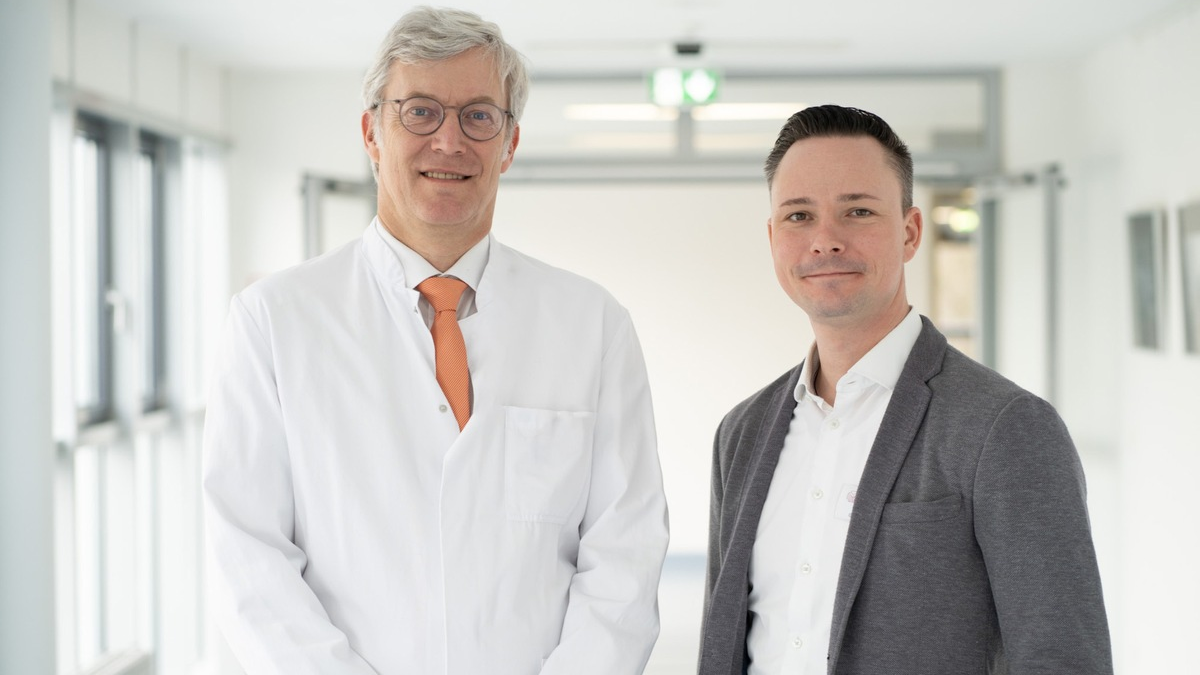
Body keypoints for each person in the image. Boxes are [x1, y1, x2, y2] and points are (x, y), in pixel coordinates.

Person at [202, 8, 668, 675]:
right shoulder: (273, 321)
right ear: (372, 132)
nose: (449, 141)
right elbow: (248, 557)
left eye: (479, 116)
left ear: (509, 143)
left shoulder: (592, 324)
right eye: (419, 112)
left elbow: (625, 554)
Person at [697, 105, 1112, 675]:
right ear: (773, 238)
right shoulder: (741, 434)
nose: (825, 240)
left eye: (858, 211)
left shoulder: (1006, 427)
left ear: (911, 232)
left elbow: (1062, 658)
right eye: (799, 216)